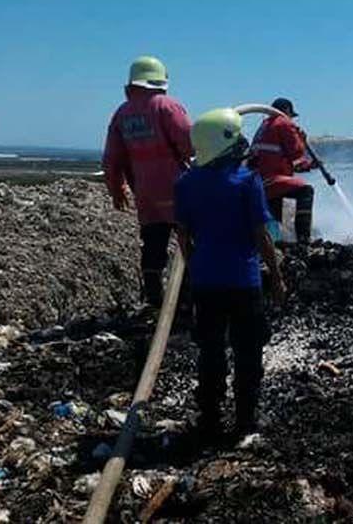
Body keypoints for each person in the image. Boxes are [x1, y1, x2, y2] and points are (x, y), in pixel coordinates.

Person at [175, 107, 286, 436]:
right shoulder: (247, 181)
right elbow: (261, 234)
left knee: (210, 351)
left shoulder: (185, 183)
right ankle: (245, 420)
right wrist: (277, 277)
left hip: (206, 282)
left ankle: (210, 418)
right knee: (248, 352)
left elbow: (182, 234)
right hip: (243, 282)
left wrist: (195, 269)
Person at [102, 55, 193, 307]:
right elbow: (190, 144)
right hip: (178, 190)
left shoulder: (122, 113)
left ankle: (155, 301)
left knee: (153, 247)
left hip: (146, 193)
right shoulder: (167, 106)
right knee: (191, 244)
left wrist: (116, 188)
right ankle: (189, 300)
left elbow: (111, 158)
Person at [249, 97, 315, 243]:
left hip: (260, 184)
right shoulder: (284, 123)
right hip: (272, 181)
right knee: (305, 190)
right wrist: (301, 139)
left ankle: (290, 243)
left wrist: (308, 166)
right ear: (286, 111)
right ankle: (304, 240)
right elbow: (296, 153)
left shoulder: (264, 126)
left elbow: (292, 163)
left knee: (290, 203)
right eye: (291, 115)